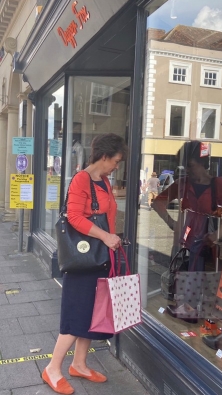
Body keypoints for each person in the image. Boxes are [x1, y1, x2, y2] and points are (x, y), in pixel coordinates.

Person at [42, 133, 126, 395]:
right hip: (83, 260)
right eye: (116, 160)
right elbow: (74, 217)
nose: (117, 166)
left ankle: (79, 364)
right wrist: (106, 236)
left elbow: (106, 217)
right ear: (103, 157)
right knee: (75, 315)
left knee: (90, 315)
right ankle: (52, 369)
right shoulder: (82, 179)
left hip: (101, 258)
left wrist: (112, 242)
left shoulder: (104, 181)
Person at [153, 141, 222, 318]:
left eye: (190, 165)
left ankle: (202, 312)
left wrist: (215, 235)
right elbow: (158, 202)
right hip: (190, 238)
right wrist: (172, 223)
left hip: (212, 243)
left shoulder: (218, 184)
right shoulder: (183, 183)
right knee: (186, 268)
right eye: (185, 166)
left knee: (210, 279)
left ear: (202, 164)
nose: (187, 170)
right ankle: (189, 307)